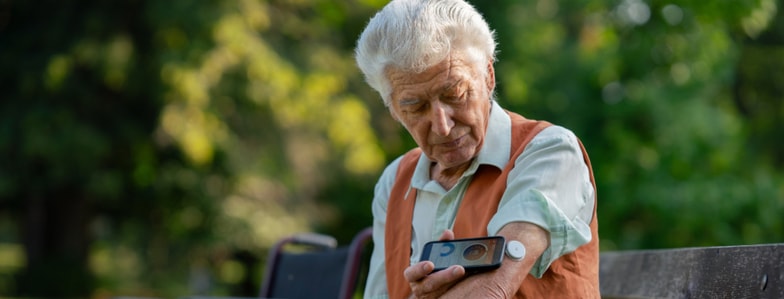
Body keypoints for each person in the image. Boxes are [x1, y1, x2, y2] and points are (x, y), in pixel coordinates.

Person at [354, 0, 599, 298]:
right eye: (416, 107)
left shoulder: (550, 152)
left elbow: (492, 288)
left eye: (455, 93)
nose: (442, 125)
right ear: (394, 111)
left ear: (488, 77)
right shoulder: (393, 184)